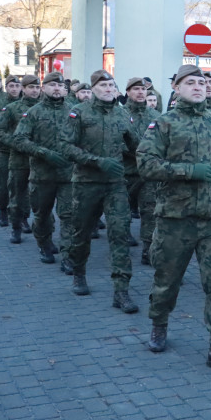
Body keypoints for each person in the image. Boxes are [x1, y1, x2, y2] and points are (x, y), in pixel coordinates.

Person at [136, 64, 211, 373]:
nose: (198, 87)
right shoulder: (164, 123)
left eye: (202, 82)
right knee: (167, 281)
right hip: (176, 217)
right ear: (176, 87)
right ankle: (159, 325)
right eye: (190, 82)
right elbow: (146, 165)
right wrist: (189, 171)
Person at [59, 69, 140, 313]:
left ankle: (121, 291)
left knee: (119, 233)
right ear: (92, 89)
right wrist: (96, 161)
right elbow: (65, 145)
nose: (107, 89)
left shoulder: (122, 113)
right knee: (81, 233)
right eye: (102, 86)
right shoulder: (79, 113)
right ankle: (79, 274)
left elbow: (135, 145)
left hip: (115, 184)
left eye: (111, 85)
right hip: (86, 183)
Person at [11, 71, 75, 269]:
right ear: (44, 88)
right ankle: (45, 245)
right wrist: (43, 153)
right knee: (42, 215)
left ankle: (67, 255)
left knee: (69, 215)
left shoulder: (74, 111)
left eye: (60, 85)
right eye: (52, 85)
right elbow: (19, 139)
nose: (57, 88)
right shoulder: (34, 112)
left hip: (68, 174)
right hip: (42, 175)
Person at [0, 75, 41, 242]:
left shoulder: (43, 108)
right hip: (11, 153)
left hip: (38, 155)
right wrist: (16, 143)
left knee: (35, 192)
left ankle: (25, 218)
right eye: (30, 87)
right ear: (24, 89)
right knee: (11, 188)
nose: (34, 91)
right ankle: (10, 218)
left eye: (37, 87)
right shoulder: (10, 108)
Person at [124, 77, 162, 258]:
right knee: (122, 212)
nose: (140, 92)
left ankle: (148, 249)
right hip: (125, 173)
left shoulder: (155, 116)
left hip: (148, 174)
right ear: (128, 92)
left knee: (149, 211)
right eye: (136, 89)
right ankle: (122, 242)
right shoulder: (120, 114)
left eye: (143, 89)